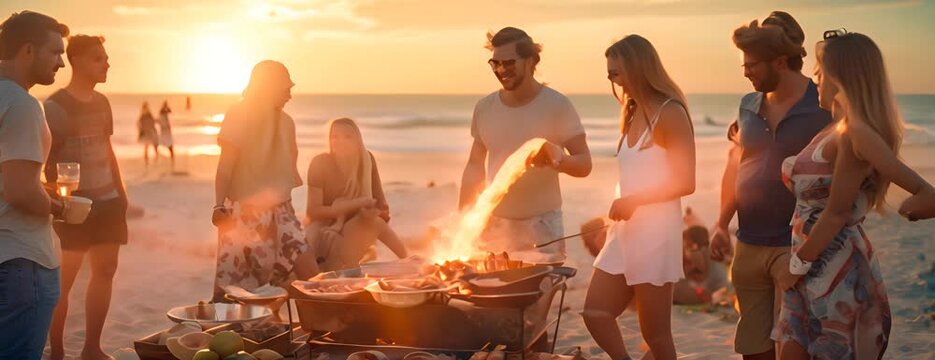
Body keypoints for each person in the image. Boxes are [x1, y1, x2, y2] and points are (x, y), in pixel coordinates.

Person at [774, 30, 935, 360]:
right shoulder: (836, 128)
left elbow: (836, 212)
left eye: (820, 71)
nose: (815, 79)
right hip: (811, 267)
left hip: (835, 272)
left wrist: (797, 264)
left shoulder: (855, 131)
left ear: (839, 76)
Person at [709, 12, 831, 360]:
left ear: (781, 61)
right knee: (752, 345)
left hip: (794, 244)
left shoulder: (823, 106)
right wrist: (721, 223)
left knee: (790, 346)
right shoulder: (747, 105)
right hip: (747, 240)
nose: (745, 71)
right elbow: (736, 166)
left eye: (752, 64)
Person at [583, 34, 695, 360]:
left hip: (656, 234)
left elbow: (685, 182)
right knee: (595, 313)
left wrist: (635, 200)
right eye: (609, 75)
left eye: (616, 73)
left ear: (638, 68)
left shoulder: (669, 113)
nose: (613, 81)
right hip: (625, 232)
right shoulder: (632, 113)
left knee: (656, 337)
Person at [459, 27, 591, 264]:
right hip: (494, 224)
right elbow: (474, 165)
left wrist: (557, 158)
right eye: (494, 63)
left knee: (536, 300)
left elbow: (584, 164)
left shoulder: (557, 105)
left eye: (509, 62)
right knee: (493, 298)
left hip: (542, 226)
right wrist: (464, 219)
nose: (500, 70)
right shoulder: (484, 108)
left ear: (531, 61)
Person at [43, 34, 129, 360]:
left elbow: (107, 151)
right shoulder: (55, 106)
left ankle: (91, 348)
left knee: (105, 271)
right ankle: (58, 351)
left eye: (105, 57)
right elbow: (44, 161)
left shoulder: (103, 102)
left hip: (108, 202)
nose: (106, 63)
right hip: (74, 207)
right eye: (98, 58)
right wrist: (61, 204)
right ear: (76, 60)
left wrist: (121, 195)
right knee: (63, 282)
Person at [211, 60, 317, 301]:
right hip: (243, 212)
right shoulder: (239, 113)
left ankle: (320, 324)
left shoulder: (287, 122)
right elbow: (226, 165)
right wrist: (219, 205)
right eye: (285, 88)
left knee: (308, 271)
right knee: (239, 289)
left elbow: (285, 173)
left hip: (282, 212)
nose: (290, 94)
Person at [0, 10, 70, 360]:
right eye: (55, 52)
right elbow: (20, 191)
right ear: (28, 50)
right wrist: (60, 206)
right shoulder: (23, 105)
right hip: (21, 260)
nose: (61, 63)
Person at [305, 118, 407, 271]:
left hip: (355, 222)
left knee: (374, 222)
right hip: (324, 224)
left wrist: (374, 212)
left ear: (358, 140)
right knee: (332, 247)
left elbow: (381, 206)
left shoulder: (367, 160)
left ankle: (409, 260)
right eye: (335, 136)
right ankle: (347, 270)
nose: (340, 141)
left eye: (347, 136)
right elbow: (312, 211)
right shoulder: (320, 163)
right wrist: (345, 209)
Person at [158, 100, 175, 165]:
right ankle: (170, 156)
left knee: (169, 144)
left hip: (166, 130)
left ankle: (171, 157)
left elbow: (170, 111)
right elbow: (162, 120)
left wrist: (167, 107)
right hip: (165, 130)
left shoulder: (164, 111)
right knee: (167, 143)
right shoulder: (162, 111)